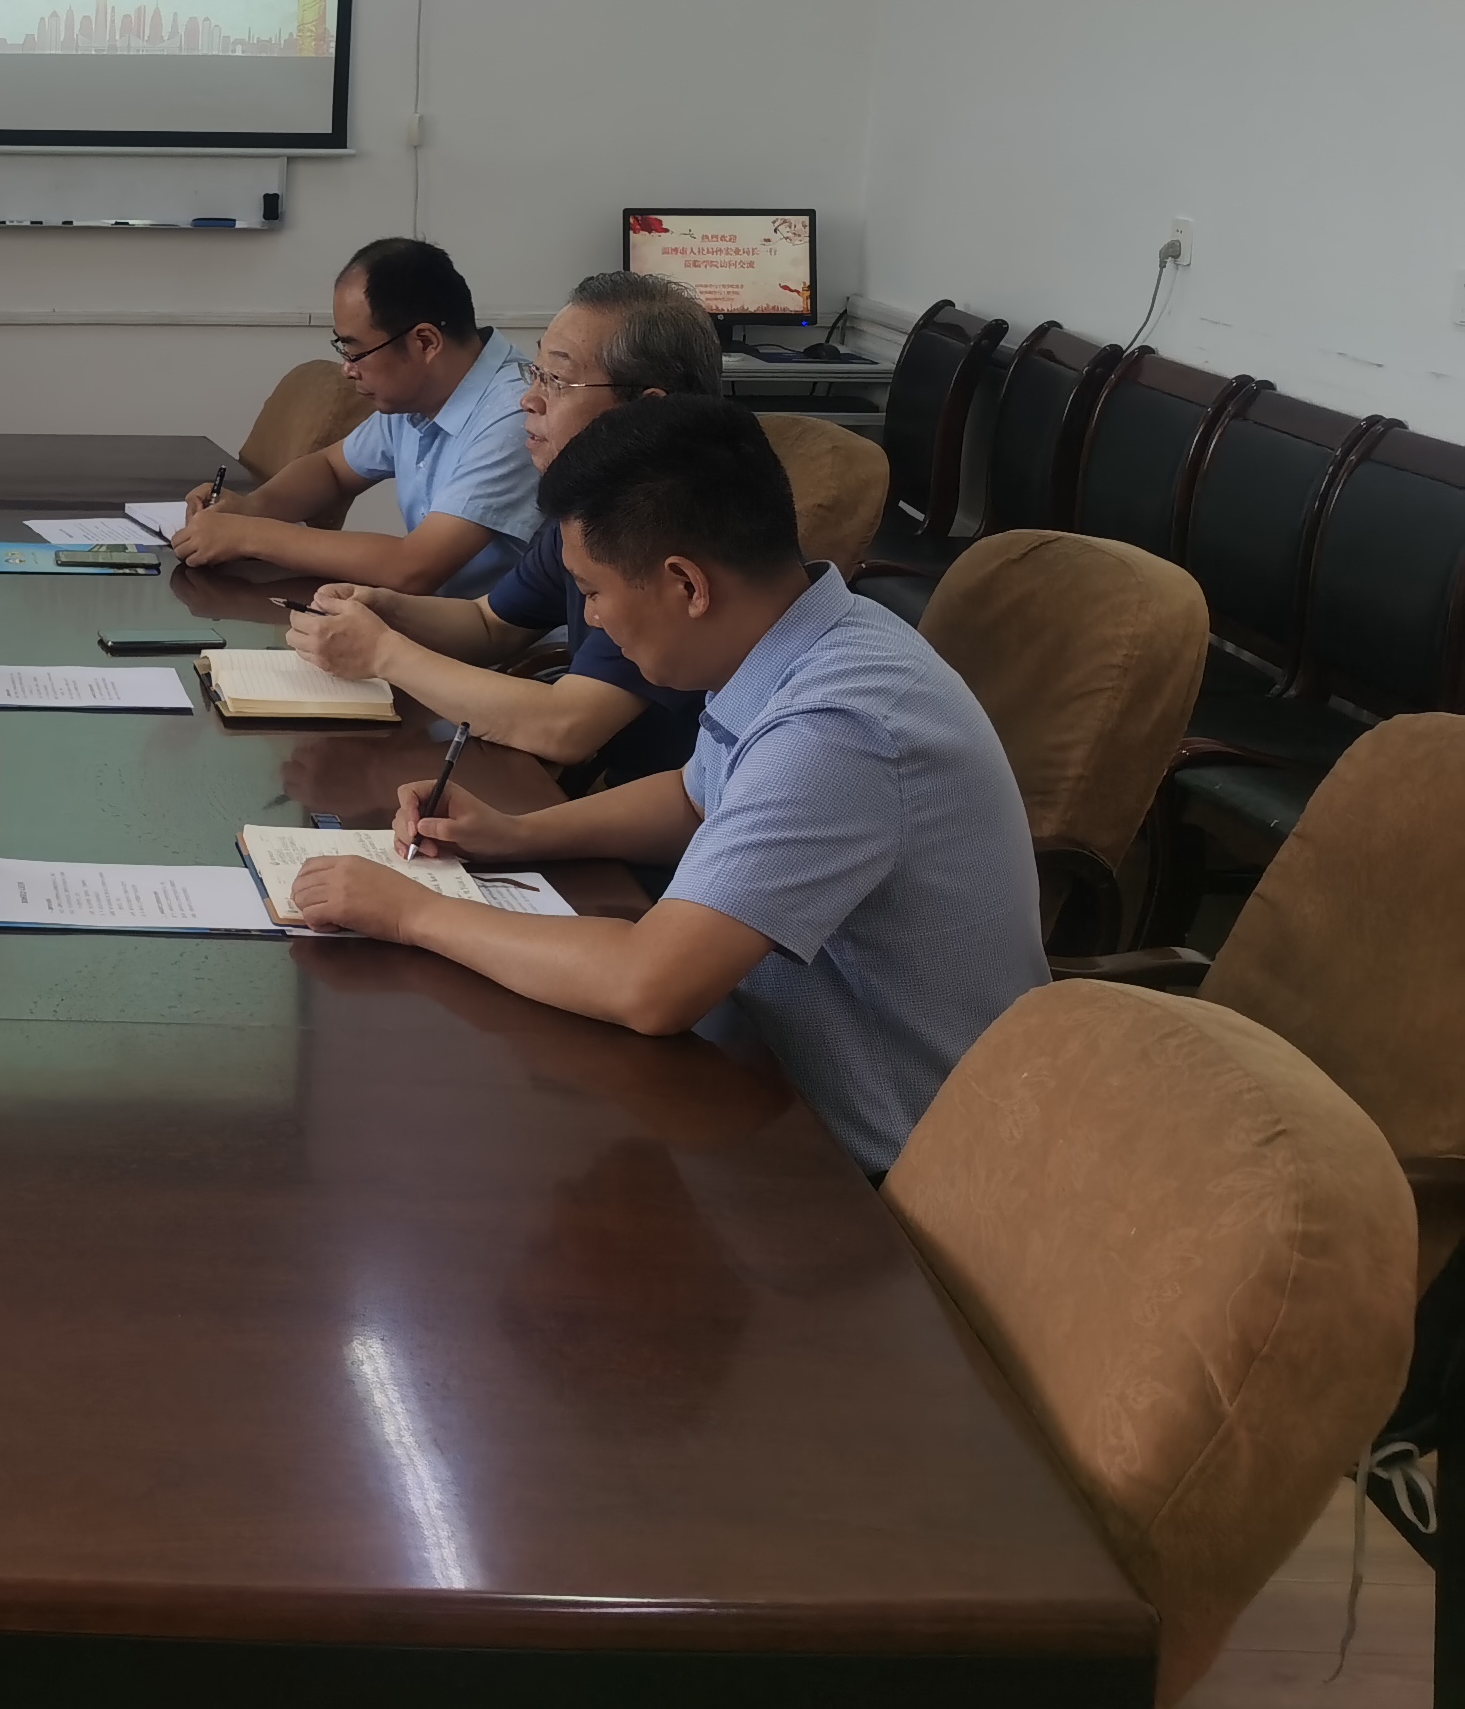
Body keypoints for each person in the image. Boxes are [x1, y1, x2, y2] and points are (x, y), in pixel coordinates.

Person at [280, 396, 1046, 1175]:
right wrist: (515, 835)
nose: (591, 620)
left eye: (594, 591)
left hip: (885, 1167)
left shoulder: (839, 726)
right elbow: (695, 797)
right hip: (762, 1068)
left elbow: (651, 985)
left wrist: (411, 913)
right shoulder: (800, 637)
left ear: (686, 584)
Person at [285, 270, 722, 787]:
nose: (528, 401)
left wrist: (382, 652)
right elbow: (491, 625)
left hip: (676, 814)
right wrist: (385, 608)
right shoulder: (589, 504)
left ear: (646, 409)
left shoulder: (671, 530)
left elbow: (566, 726)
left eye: (557, 382)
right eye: (535, 374)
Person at [174, 238, 537, 597]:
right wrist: (251, 508)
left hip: (493, 633)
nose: (347, 369)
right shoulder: (419, 393)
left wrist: (249, 535)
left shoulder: (516, 414)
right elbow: (332, 469)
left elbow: (413, 568)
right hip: (436, 616)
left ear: (425, 342)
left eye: (355, 351)